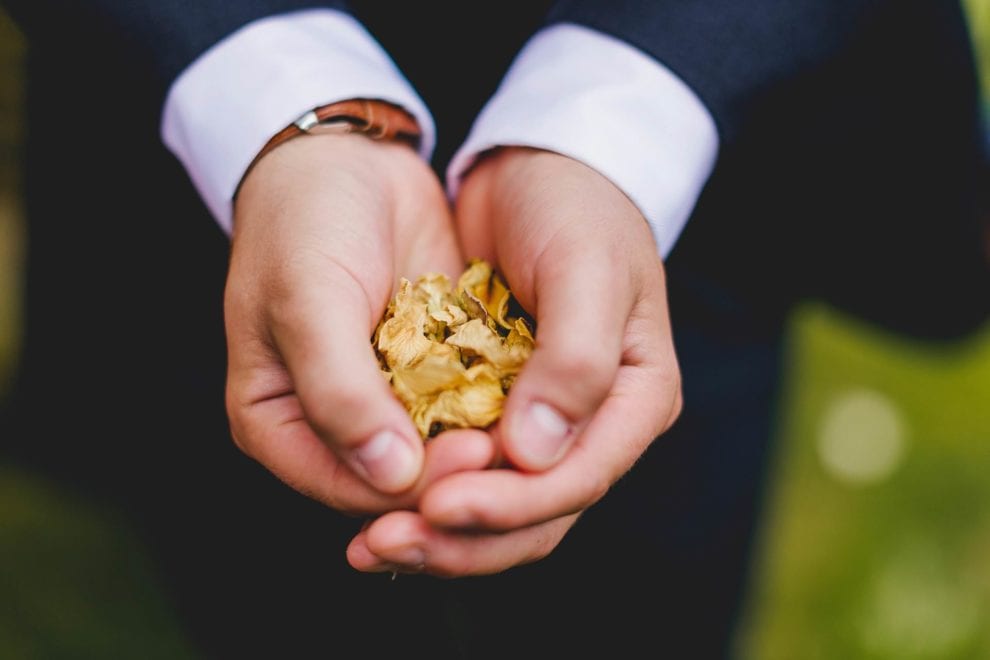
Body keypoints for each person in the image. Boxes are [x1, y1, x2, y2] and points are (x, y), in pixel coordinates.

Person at [1, 1, 987, 657]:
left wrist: (609, 125)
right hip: (176, 176)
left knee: (645, 588)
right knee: (250, 560)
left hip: (712, 159)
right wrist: (272, 100)